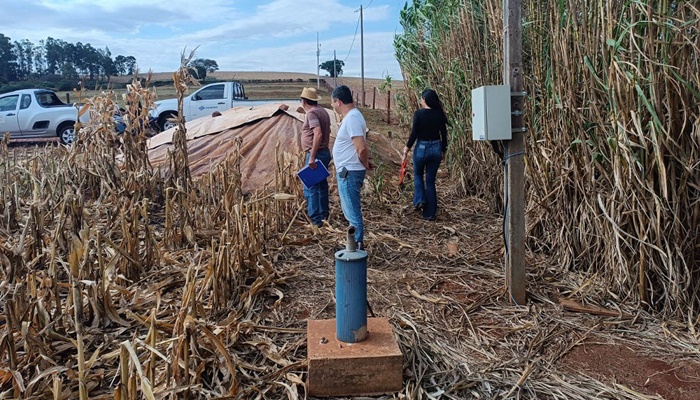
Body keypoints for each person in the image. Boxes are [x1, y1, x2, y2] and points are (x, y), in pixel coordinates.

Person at [331, 85, 371, 247]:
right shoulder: (353, 117)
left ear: (339, 102)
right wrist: (365, 161)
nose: (332, 106)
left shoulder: (352, 118)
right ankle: (354, 244)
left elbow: (361, 147)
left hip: (349, 172)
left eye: (333, 103)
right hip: (350, 170)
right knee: (351, 210)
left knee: (353, 213)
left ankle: (356, 246)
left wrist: (365, 163)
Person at [402, 89, 448, 221]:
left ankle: (420, 199)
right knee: (430, 181)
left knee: (417, 174)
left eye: (422, 98)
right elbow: (444, 135)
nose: (420, 100)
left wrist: (407, 149)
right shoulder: (439, 114)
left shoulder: (419, 114)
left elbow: (414, 133)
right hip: (436, 148)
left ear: (425, 100)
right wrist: (443, 151)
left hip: (421, 148)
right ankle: (430, 214)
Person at [299, 87, 332, 226]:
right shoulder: (323, 111)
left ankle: (315, 220)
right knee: (322, 185)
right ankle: (324, 215)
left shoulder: (311, 114)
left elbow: (317, 133)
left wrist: (312, 157)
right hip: (324, 152)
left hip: (316, 154)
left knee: (311, 186)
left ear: (304, 101)